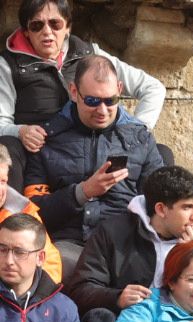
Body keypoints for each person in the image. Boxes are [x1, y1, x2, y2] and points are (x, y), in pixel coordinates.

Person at [20, 57, 164, 263]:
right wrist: (83, 192)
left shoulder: (139, 138)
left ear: (120, 89)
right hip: (70, 243)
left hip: (128, 244)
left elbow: (160, 202)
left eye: (110, 100)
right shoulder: (47, 139)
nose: (102, 111)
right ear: (73, 92)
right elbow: (33, 212)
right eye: (92, 101)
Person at [65, 165, 193, 322]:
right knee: (99, 318)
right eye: (188, 207)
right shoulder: (113, 232)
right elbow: (80, 289)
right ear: (161, 209)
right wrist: (117, 297)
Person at [0, 0, 166, 155]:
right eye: (37, 25)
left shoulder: (89, 53)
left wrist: (137, 130)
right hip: (44, 151)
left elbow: (152, 88)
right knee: (10, 148)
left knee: (160, 153)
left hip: (95, 145)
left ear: (67, 27)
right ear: (26, 32)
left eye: (55, 24)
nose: (47, 31)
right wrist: (20, 131)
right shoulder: (7, 65)